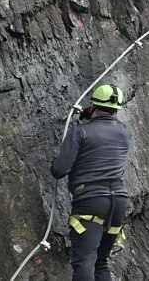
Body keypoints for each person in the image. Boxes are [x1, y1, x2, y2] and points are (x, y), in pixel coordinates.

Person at [50, 84, 132, 281]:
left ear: (93, 104)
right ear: (117, 108)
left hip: (91, 201)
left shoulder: (80, 132)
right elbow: (104, 130)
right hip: (118, 202)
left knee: (84, 261)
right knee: (100, 262)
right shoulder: (125, 132)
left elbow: (59, 170)